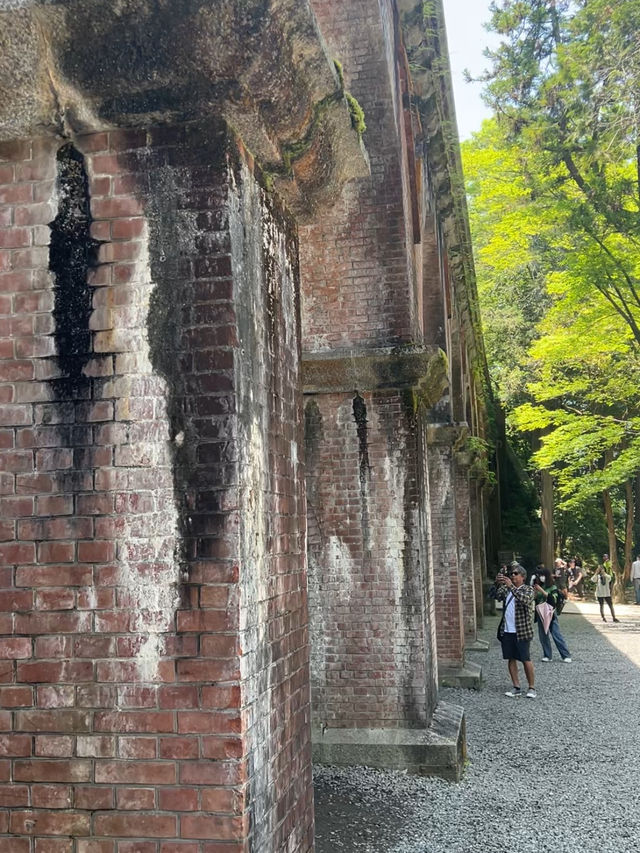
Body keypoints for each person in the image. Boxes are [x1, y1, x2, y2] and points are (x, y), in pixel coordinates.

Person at [495, 562, 537, 698]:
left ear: (523, 577)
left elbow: (524, 600)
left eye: (515, 574)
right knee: (511, 658)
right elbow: (496, 595)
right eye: (511, 574)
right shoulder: (507, 589)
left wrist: (511, 586)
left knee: (526, 659)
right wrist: (498, 582)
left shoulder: (528, 589)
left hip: (522, 630)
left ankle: (531, 687)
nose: (512, 576)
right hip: (507, 630)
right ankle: (516, 686)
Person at [532, 568, 572, 662]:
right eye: (539, 576)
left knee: (556, 634)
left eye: (542, 575)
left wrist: (541, 590)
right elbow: (535, 599)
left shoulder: (552, 587)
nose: (540, 577)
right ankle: (547, 655)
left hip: (550, 613)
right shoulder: (538, 586)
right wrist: (535, 592)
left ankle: (566, 655)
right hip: (540, 613)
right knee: (543, 635)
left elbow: (552, 599)